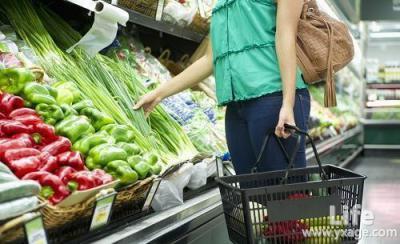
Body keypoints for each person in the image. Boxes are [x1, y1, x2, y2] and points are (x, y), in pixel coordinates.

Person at [134, 0, 310, 175]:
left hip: (274, 98)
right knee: (251, 194)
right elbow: (210, 59)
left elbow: (285, 37)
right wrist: (159, 94)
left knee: (287, 192)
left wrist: (288, 103)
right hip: (236, 108)